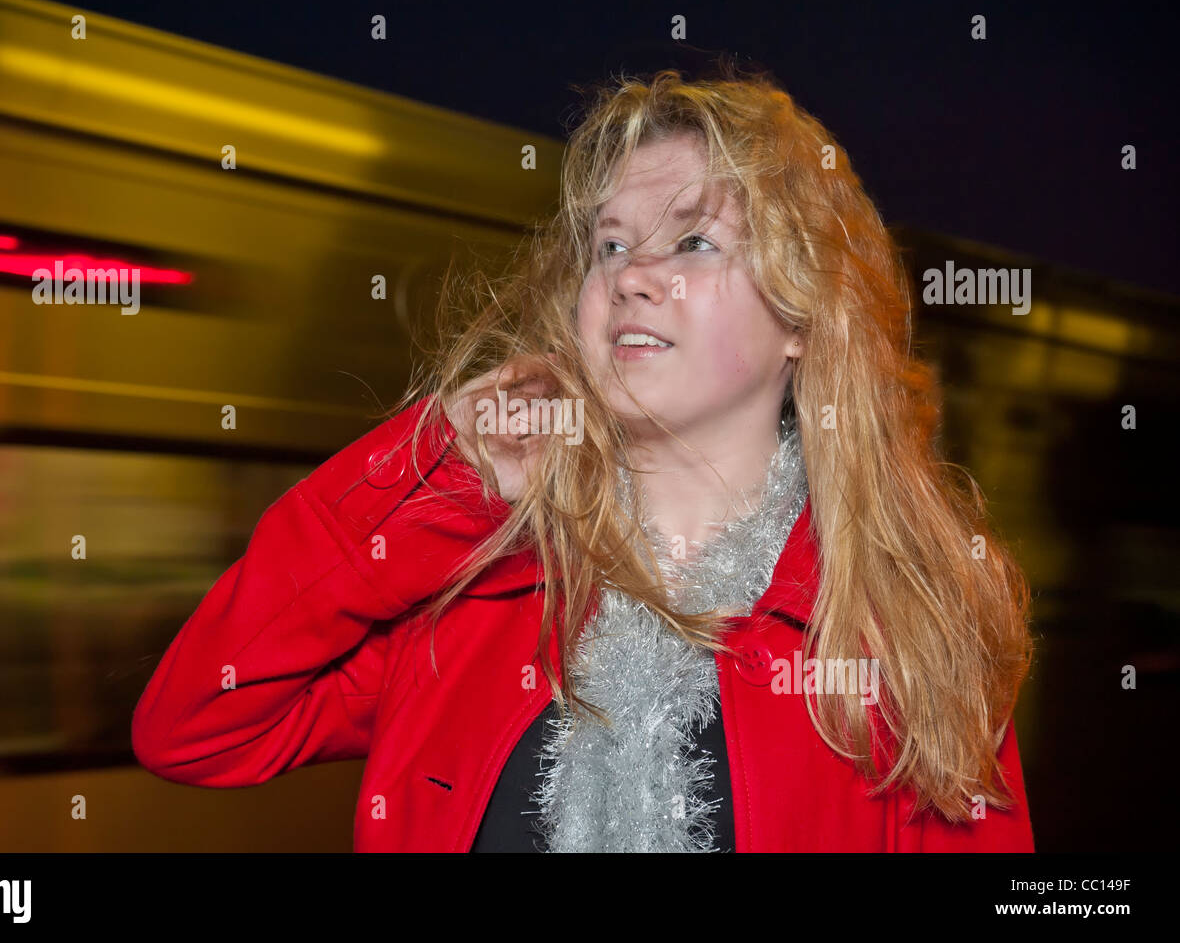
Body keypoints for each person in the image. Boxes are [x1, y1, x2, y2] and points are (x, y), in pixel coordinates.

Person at [132, 67, 1035, 852]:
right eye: (610, 245)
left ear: (799, 315)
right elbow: (193, 728)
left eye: (692, 241)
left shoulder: (904, 636)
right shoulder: (473, 601)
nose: (631, 274)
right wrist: (439, 475)